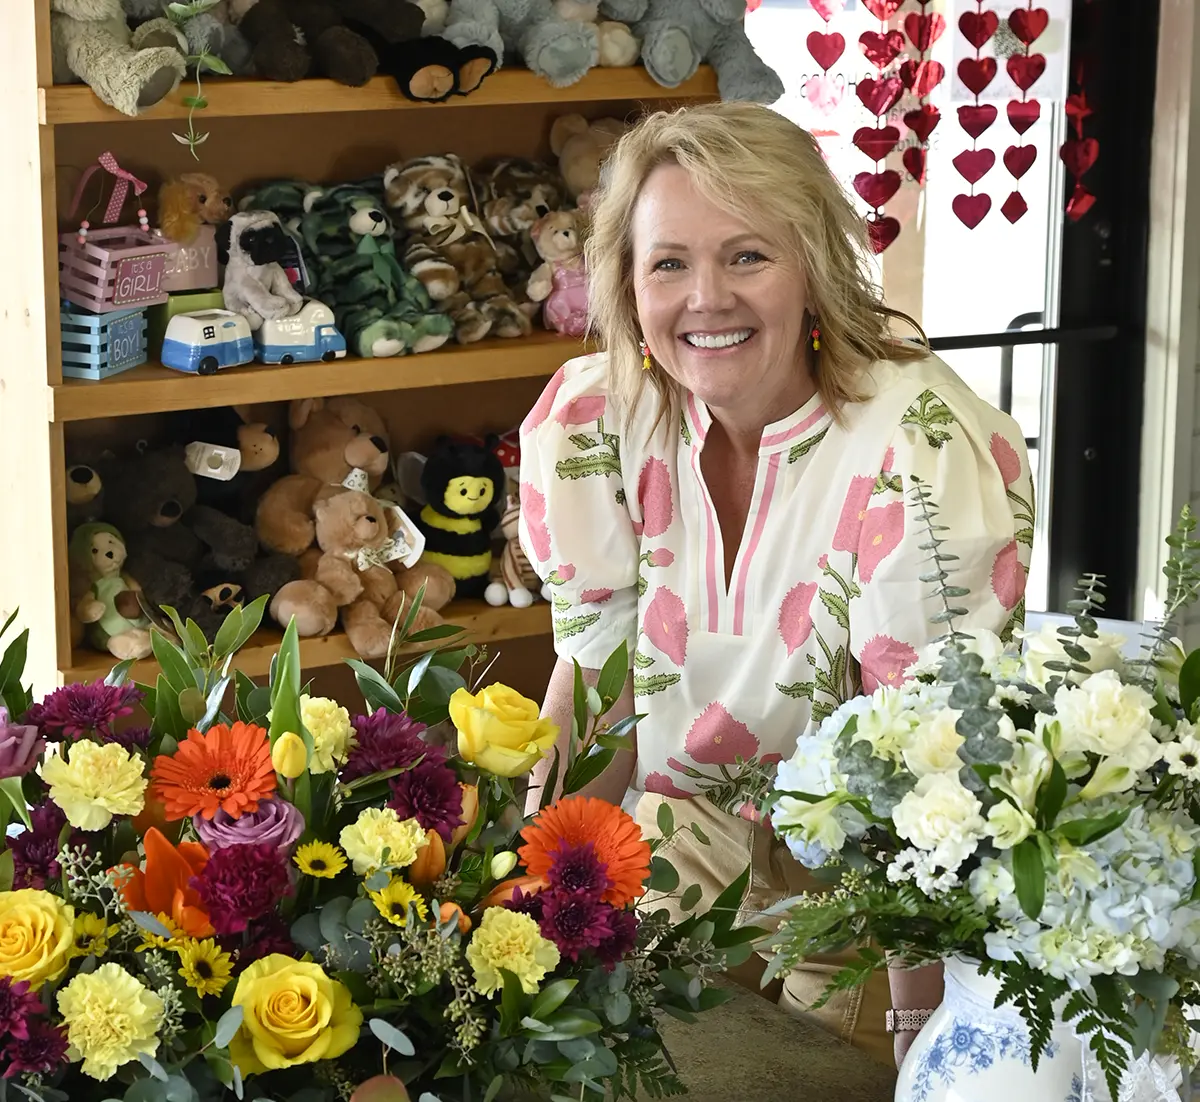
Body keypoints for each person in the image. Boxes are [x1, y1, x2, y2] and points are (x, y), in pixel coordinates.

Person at [517, 101, 1034, 1070]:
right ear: (627, 283)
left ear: (815, 271)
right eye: (669, 261)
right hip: (680, 823)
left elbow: (924, 759)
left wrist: (917, 1037)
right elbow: (593, 680)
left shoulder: (916, 446)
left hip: (864, 868)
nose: (706, 298)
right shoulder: (593, 420)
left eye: (748, 255)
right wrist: (527, 899)